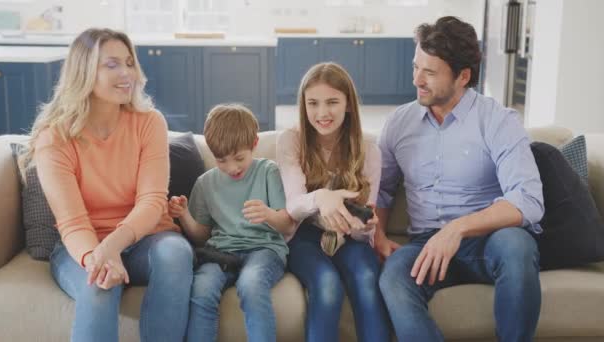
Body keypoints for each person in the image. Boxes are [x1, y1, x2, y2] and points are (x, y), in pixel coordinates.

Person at [19, 28, 194, 341]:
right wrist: (98, 258)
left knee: (176, 253)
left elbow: (153, 201)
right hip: (83, 246)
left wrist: (114, 244)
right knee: (99, 285)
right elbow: (72, 223)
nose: (127, 73)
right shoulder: (54, 137)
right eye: (112, 65)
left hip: (145, 240)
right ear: (83, 72)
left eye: (129, 63)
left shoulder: (149, 122)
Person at [376, 16, 544, 342]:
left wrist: (457, 228)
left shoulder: (498, 121)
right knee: (393, 278)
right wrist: (379, 236)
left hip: (488, 239)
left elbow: (528, 200)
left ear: (463, 76)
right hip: (426, 243)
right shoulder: (399, 123)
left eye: (430, 72)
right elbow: (382, 191)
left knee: (518, 247)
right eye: (415, 67)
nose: (417, 80)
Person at [276, 62, 390, 342]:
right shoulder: (291, 141)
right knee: (327, 284)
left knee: (366, 278)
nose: (322, 113)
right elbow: (293, 206)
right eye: (312, 103)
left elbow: (366, 223)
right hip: (304, 236)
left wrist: (364, 228)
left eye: (332, 102)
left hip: (349, 237)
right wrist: (323, 198)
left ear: (348, 104)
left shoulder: (369, 151)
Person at [168, 104, 294, 342]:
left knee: (252, 285)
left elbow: (288, 226)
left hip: (264, 249)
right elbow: (201, 237)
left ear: (254, 145)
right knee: (202, 290)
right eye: (221, 161)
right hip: (220, 252)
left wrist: (268, 214)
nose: (232, 168)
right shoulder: (205, 184)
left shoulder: (269, 172)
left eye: (239, 158)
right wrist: (184, 215)